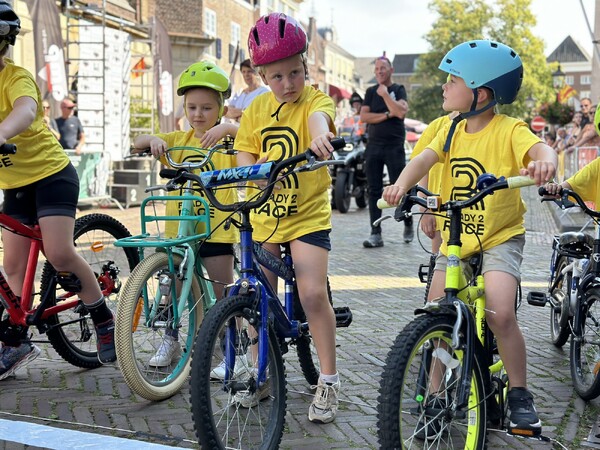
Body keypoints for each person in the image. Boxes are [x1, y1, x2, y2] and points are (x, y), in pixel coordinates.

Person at [382, 40, 556, 438]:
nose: (444, 86)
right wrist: (403, 186)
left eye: (452, 79)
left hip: (498, 237)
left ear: (480, 92)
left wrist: (546, 162)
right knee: (436, 310)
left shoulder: (508, 129)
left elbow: (538, 148)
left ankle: (520, 394)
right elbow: (424, 159)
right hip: (455, 237)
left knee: (499, 312)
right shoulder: (445, 127)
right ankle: (433, 395)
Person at [0, 1, 116, 380]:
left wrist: (2, 132)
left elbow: (25, 109)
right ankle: (17, 341)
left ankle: (101, 315)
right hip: (15, 185)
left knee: (60, 251)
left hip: (52, 175)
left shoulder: (15, 77)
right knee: (13, 267)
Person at [234, 12, 340, 424]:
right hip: (267, 216)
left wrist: (318, 136)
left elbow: (320, 118)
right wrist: (250, 177)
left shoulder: (315, 101)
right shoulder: (258, 108)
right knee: (257, 297)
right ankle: (262, 374)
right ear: (261, 75)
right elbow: (245, 147)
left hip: (308, 214)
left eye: (295, 73)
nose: (288, 84)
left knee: (313, 294)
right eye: (276, 77)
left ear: (305, 66)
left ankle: (328, 380)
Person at [132, 61, 239, 369]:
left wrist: (228, 128)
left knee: (222, 293)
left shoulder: (229, 141)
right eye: (192, 107)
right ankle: (171, 340)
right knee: (173, 289)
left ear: (220, 108)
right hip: (179, 230)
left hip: (216, 227)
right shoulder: (179, 140)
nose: (198, 114)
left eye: (206, 107)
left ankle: (227, 348)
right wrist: (152, 141)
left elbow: (253, 137)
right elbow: (138, 142)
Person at [360, 55, 413, 248]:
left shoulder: (398, 89)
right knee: (373, 189)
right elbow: (364, 116)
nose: (379, 72)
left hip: (394, 145)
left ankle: (408, 221)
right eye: (376, 69)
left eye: (383, 68)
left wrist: (385, 96)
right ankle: (376, 233)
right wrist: (387, 114)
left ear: (391, 70)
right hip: (373, 145)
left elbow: (400, 113)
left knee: (400, 187)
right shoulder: (370, 91)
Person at [409, 111, 459, 254]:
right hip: (439, 209)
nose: (444, 87)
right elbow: (422, 167)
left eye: (453, 86)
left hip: (475, 212)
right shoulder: (437, 126)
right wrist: (425, 208)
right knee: (439, 260)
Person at [224, 58, 269, 122]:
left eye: (249, 71)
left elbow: (257, 116)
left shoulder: (264, 93)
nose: (246, 75)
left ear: (256, 73)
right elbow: (227, 112)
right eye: (243, 72)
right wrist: (244, 112)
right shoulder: (240, 93)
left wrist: (236, 114)